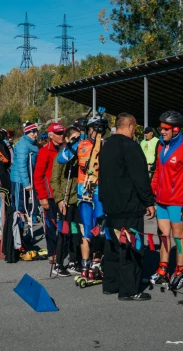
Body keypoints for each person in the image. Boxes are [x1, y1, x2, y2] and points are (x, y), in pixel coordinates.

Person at [99, 113, 156, 301]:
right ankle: (129, 289)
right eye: (135, 128)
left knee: (113, 246)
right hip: (129, 205)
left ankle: (111, 283)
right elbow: (140, 177)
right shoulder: (130, 146)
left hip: (110, 205)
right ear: (130, 126)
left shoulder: (106, 146)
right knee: (131, 249)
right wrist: (148, 201)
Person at [150, 111, 183, 291]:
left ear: (176, 129)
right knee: (163, 235)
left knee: (178, 237)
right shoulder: (160, 146)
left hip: (178, 202)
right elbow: (157, 172)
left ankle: (179, 271)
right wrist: (152, 193)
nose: (161, 131)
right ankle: (163, 268)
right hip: (161, 200)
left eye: (165, 129)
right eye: (161, 128)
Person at [76, 115, 108, 279]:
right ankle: (87, 264)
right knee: (89, 229)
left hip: (96, 190)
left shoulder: (103, 144)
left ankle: (93, 264)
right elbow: (87, 165)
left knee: (98, 229)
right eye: (96, 129)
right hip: (88, 190)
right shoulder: (85, 145)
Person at [50, 126, 82, 276]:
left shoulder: (79, 155)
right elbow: (54, 180)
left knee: (76, 232)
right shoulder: (61, 157)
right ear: (67, 139)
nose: (77, 141)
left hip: (77, 199)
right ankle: (58, 262)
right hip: (65, 199)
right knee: (64, 232)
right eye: (74, 138)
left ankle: (74, 260)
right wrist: (60, 200)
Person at [33, 122, 66, 262]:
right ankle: (53, 252)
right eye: (58, 134)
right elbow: (38, 176)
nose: (62, 136)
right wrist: (42, 197)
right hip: (50, 196)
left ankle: (66, 250)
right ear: (51, 136)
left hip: (65, 194)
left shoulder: (67, 148)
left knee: (67, 225)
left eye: (63, 133)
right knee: (51, 225)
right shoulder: (44, 151)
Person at [10, 122, 39, 227]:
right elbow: (22, 166)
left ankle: (21, 232)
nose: (35, 134)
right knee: (19, 207)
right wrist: (26, 183)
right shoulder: (23, 145)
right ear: (27, 133)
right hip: (19, 179)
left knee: (24, 205)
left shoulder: (33, 143)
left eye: (36, 132)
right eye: (32, 132)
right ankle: (17, 231)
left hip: (27, 178)